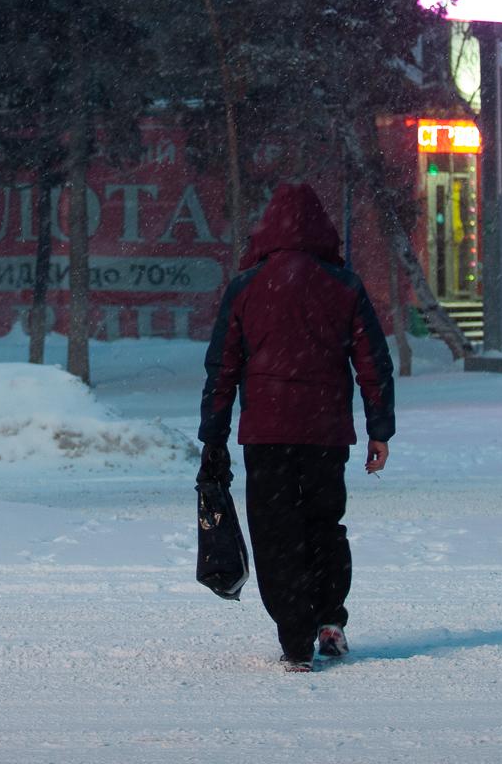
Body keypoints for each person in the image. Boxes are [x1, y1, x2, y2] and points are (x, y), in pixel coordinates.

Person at [197, 181, 395, 671]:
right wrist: (379, 429)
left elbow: (222, 367)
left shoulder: (246, 287)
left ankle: (294, 641)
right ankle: (330, 619)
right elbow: (374, 361)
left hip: (266, 436)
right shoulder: (344, 286)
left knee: (276, 533)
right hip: (326, 434)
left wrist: (214, 438)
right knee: (325, 526)